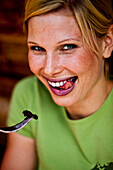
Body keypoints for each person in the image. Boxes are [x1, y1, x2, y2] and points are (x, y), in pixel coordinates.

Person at [1, 0, 113, 169]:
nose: (49, 69)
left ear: (107, 42)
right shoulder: (29, 95)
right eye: (37, 48)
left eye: (67, 47)